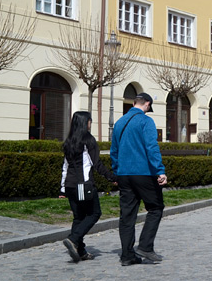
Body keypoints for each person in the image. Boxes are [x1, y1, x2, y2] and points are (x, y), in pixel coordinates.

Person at [111, 93, 167, 266]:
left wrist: (116, 172)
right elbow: (151, 147)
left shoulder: (120, 122)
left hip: (124, 174)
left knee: (127, 216)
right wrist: (160, 171)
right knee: (156, 208)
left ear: (134, 102)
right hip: (143, 173)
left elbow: (114, 150)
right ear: (147, 104)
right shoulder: (146, 121)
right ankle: (145, 246)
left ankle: (127, 256)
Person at [59, 111, 117, 262]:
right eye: (90, 121)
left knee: (79, 217)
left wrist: (62, 189)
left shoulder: (69, 141)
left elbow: (65, 167)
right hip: (82, 185)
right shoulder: (88, 140)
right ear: (85, 122)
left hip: (70, 185)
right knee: (94, 213)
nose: (91, 123)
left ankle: (81, 251)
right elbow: (96, 163)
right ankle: (73, 239)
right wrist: (112, 178)